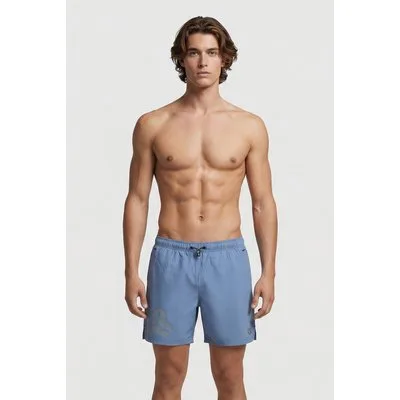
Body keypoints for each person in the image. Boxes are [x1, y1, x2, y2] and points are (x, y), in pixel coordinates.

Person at [123, 15, 278, 400]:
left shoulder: (249, 126)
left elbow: (262, 203)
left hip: (228, 260)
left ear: (225, 58)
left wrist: (269, 272)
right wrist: (131, 271)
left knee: (230, 377)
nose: (203, 61)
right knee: (168, 376)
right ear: (182, 59)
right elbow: (137, 199)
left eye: (211, 52)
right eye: (194, 53)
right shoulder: (153, 124)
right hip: (170, 259)